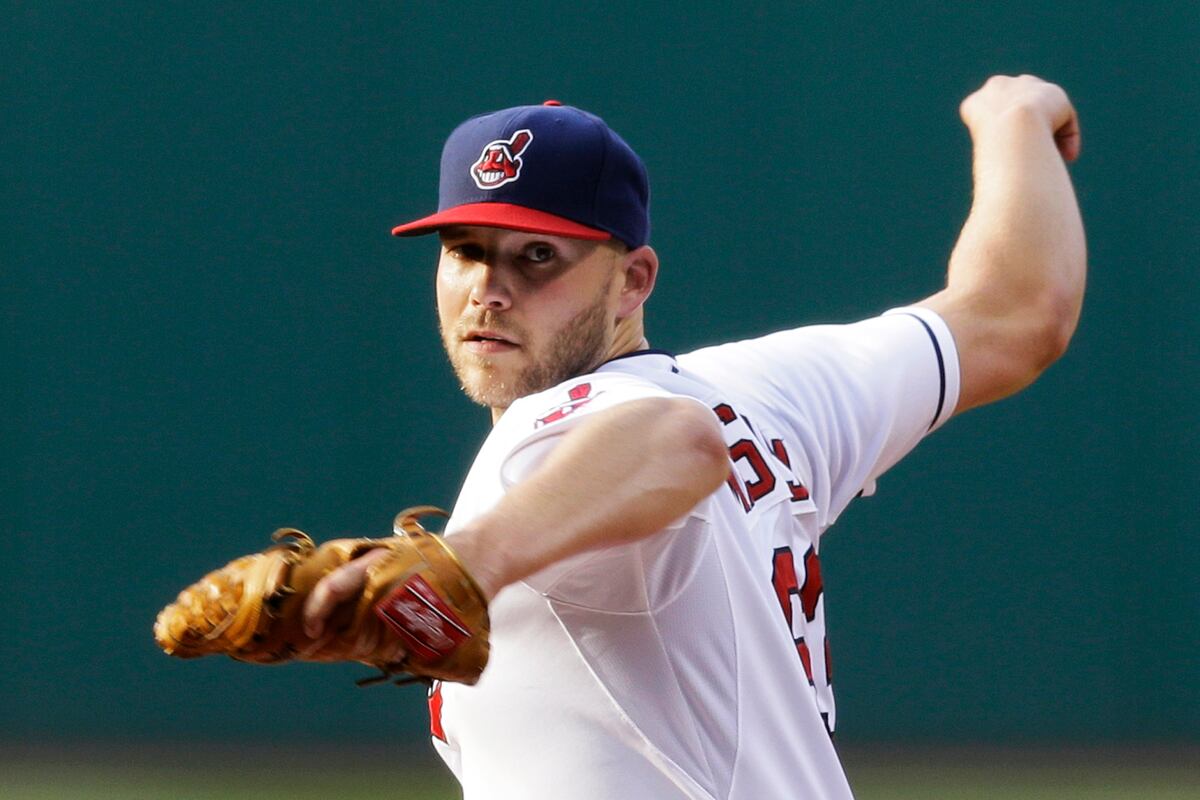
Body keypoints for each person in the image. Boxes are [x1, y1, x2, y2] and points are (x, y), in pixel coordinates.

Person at [303, 77, 1086, 799]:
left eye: (538, 256)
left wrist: (465, 563)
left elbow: (674, 443)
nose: (490, 291)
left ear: (634, 280)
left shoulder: (558, 430)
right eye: (465, 251)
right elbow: (1016, 313)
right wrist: (1012, 118)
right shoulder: (769, 391)